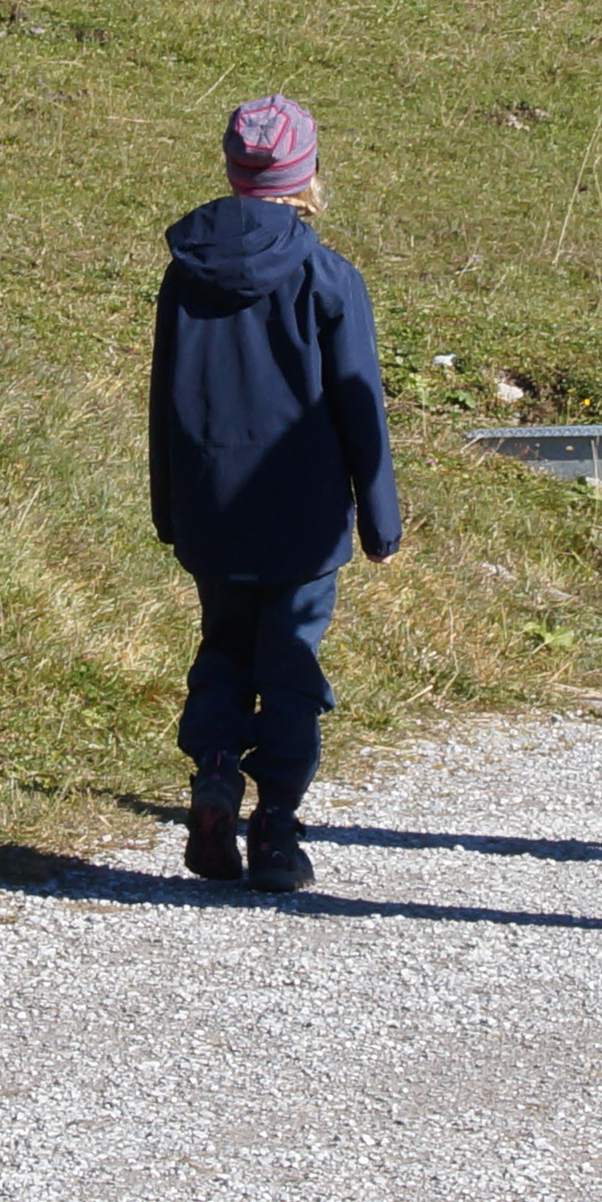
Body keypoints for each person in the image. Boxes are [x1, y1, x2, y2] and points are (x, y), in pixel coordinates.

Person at [147, 97, 400, 896]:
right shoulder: (328, 276)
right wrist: (381, 519)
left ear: (231, 169)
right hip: (303, 516)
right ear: (308, 174)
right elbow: (360, 405)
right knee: (289, 663)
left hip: (210, 507)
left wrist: (168, 506)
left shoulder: (184, 272)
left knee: (224, 646)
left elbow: (164, 398)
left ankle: (217, 771)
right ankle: (277, 831)